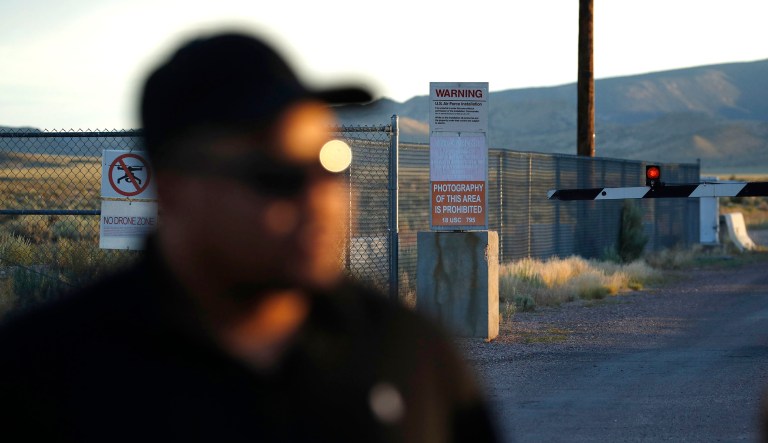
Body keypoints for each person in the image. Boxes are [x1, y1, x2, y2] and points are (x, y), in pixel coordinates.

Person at [0, 31, 500, 442]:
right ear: (171, 189)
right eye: (275, 174)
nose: (316, 198)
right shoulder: (44, 376)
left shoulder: (408, 354)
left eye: (331, 163)